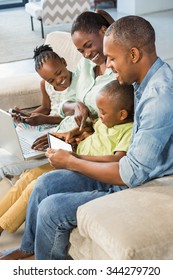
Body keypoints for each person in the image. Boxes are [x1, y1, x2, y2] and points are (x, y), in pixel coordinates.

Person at [4, 14, 173, 260]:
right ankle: (30, 251)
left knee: (52, 209)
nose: (110, 65)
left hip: (138, 181)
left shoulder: (159, 98)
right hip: (124, 167)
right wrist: (81, 132)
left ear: (134, 55)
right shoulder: (142, 80)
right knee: (44, 184)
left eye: (113, 59)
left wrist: (72, 161)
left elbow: (131, 174)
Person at [0, 80, 134, 236]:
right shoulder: (107, 122)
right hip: (70, 157)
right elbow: (92, 125)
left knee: (34, 186)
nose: (100, 116)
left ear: (122, 114)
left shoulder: (128, 131)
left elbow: (118, 160)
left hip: (82, 167)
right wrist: (74, 132)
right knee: (29, 175)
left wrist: (76, 157)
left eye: (103, 112)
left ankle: (2, 226)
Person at [0, 9, 115, 181]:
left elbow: (106, 121)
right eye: (81, 50)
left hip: (71, 139)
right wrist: (76, 106)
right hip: (57, 134)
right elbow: (65, 103)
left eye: (88, 46)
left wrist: (58, 137)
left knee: (9, 167)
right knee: (9, 157)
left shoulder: (119, 72)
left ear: (104, 31)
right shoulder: (85, 65)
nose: (86, 54)